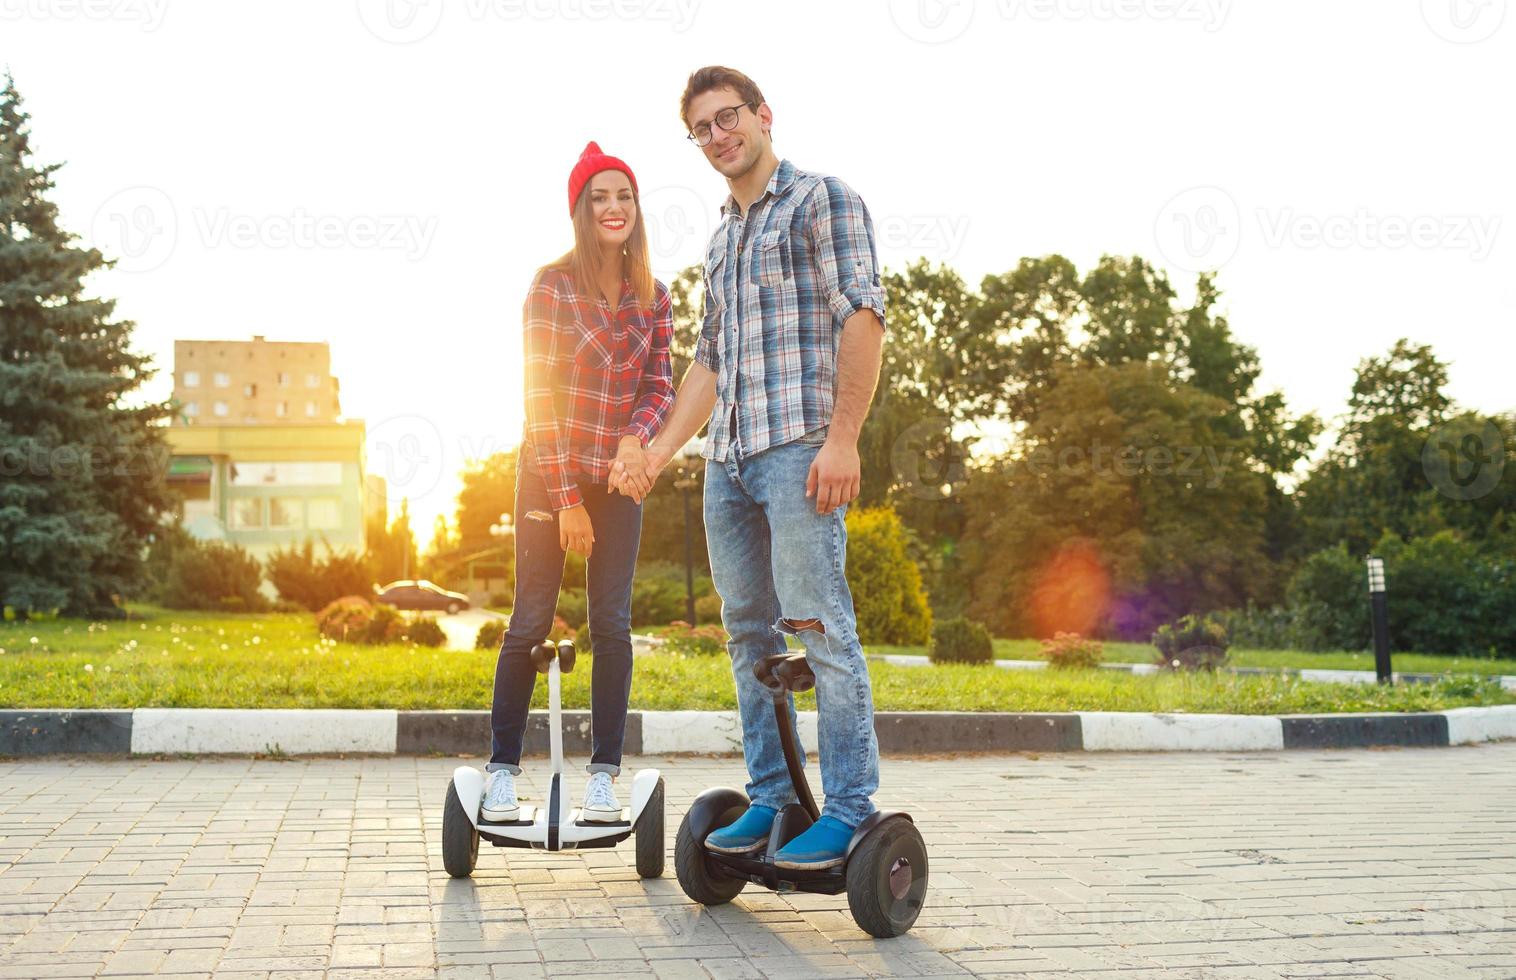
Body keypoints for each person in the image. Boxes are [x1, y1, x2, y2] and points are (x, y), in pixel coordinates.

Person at [611, 66, 888, 871]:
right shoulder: (722, 238)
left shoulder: (822, 201)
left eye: (727, 117)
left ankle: (847, 808)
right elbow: (709, 361)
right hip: (727, 463)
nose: (717, 135)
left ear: (763, 116)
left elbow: (863, 315)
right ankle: (771, 799)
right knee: (746, 638)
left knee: (819, 630)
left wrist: (844, 439)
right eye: (701, 128)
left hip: (801, 449)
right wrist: (663, 452)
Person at [483, 141, 673, 823]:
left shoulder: (656, 294)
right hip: (548, 475)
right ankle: (502, 770)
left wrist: (635, 438)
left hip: (619, 480)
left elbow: (660, 386)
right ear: (580, 211)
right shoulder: (550, 286)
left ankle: (602, 776)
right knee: (531, 619)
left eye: (623, 195)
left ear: (635, 208)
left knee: (612, 625)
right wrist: (565, 498)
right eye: (600, 197)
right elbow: (539, 397)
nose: (614, 207)